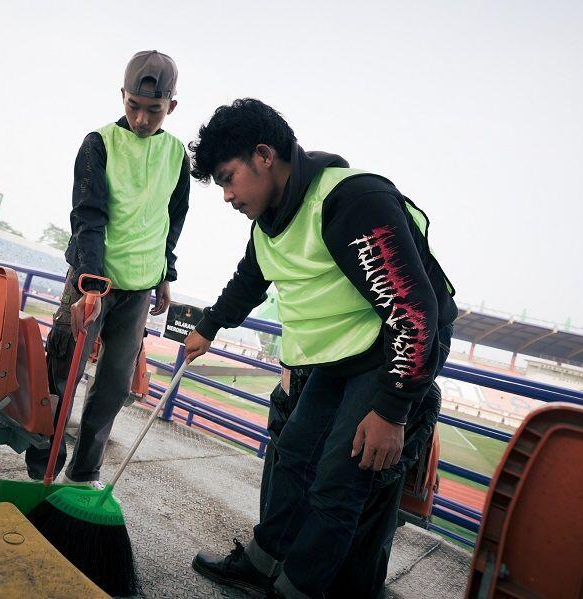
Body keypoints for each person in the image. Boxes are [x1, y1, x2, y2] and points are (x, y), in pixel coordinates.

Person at [184, 99, 457, 598]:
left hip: (391, 351)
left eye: (228, 178)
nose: (226, 195)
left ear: (264, 156)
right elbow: (251, 278)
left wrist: (393, 410)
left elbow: (416, 313)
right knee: (293, 455)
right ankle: (264, 563)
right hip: (339, 356)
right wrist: (208, 328)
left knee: (339, 480)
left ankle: (298, 589)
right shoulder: (269, 219)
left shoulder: (352, 201)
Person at [24, 50, 190, 486]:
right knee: (62, 373)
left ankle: (82, 474)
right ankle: (41, 468)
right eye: (133, 105)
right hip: (91, 280)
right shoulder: (98, 143)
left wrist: (165, 275)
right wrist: (90, 282)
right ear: (122, 96)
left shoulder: (177, 155)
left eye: (152, 110)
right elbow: (88, 216)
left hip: (138, 289)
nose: (140, 118)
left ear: (171, 107)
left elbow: (173, 218)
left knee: (114, 386)